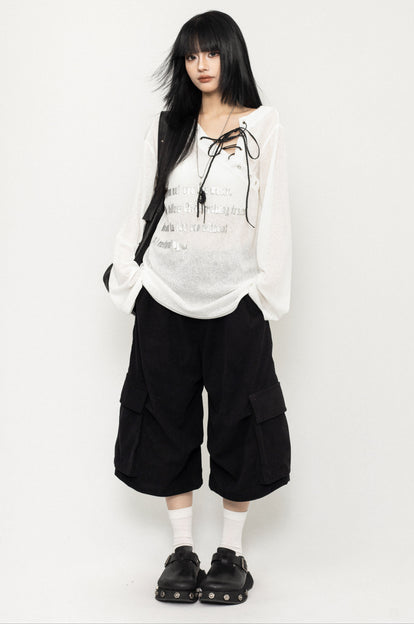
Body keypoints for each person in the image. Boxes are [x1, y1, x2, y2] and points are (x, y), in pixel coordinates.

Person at [106, 9, 292, 606]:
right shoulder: (168, 127)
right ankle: (182, 550)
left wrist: (264, 293)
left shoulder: (263, 126)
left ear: (230, 54)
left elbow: (275, 211)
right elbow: (144, 201)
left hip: (236, 299)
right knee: (167, 418)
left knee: (240, 419)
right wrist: (131, 278)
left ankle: (231, 554)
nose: (201, 64)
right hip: (165, 296)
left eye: (210, 52)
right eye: (190, 55)